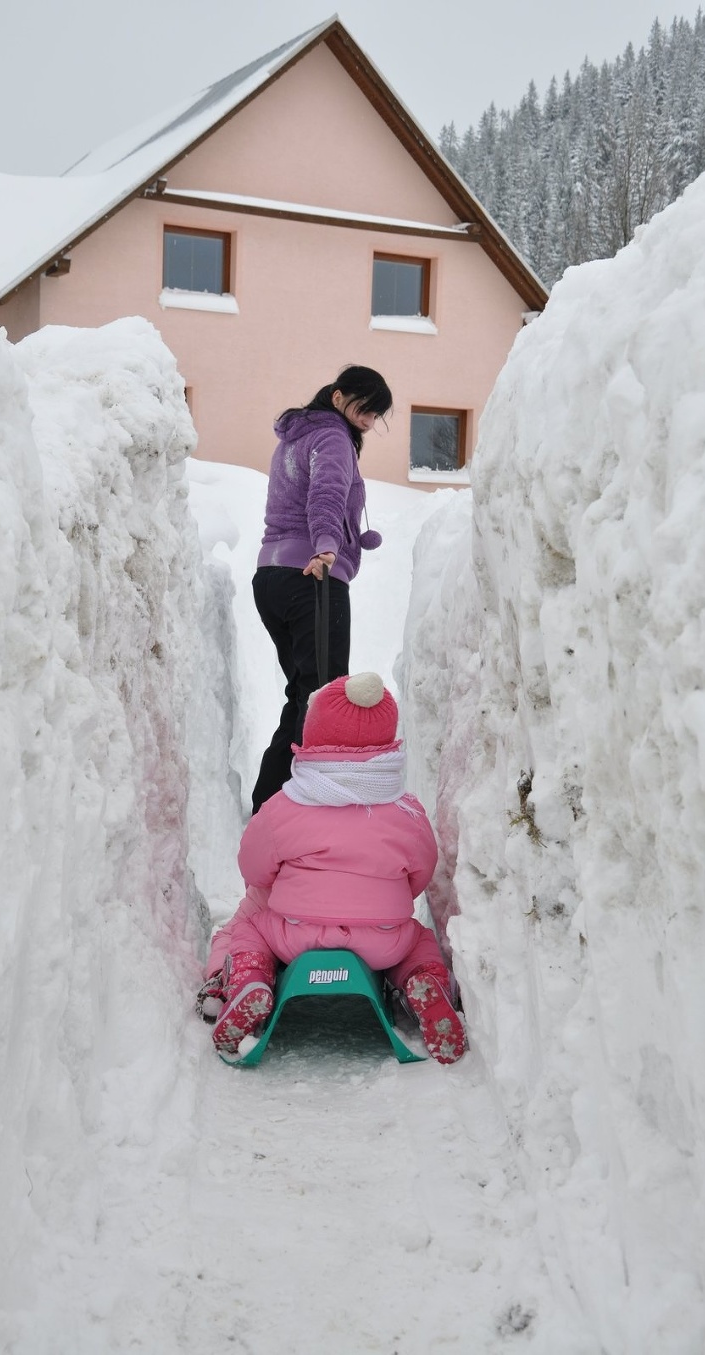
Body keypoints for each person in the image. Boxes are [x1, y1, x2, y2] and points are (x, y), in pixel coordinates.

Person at [197, 673, 467, 1065]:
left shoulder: (284, 807)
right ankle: (424, 981)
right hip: (381, 941)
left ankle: (249, 980)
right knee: (419, 940)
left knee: (248, 928)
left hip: (295, 934)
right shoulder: (406, 811)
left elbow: (253, 867)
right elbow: (421, 874)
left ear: (313, 735)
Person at [250, 365, 393, 814]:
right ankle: (294, 811)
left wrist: (350, 537)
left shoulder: (295, 437)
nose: (368, 421)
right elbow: (326, 495)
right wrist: (329, 546)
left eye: (376, 415)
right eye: (365, 409)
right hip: (312, 575)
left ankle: (270, 805)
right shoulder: (332, 437)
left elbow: (305, 497)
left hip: (272, 576)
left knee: (305, 696)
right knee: (323, 701)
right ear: (337, 397)